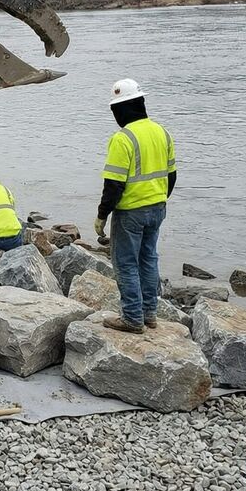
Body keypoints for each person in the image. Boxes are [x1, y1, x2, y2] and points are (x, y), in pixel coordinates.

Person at [94, 78, 177, 334]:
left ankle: (131, 318)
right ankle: (149, 314)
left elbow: (114, 185)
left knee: (126, 264)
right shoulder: (162, 132)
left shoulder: (123, 138)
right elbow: (171, 175)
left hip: (130, 213)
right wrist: (159, 199)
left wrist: (101, 215)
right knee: (148, 259)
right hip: (157, 208)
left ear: (120, 109)